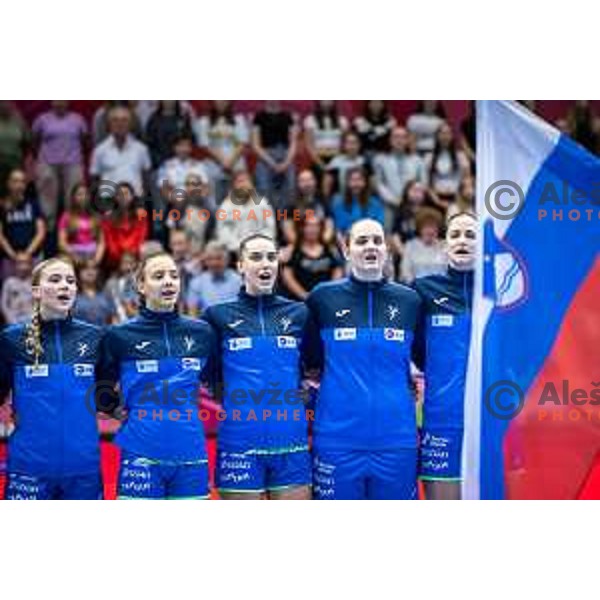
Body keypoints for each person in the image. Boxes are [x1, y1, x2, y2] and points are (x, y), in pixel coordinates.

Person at [303, 218, 423, 499]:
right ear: (346, 250)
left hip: (397, 442)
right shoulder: (322, 298)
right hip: (337, 442)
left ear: (386, 250)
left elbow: (424, 359)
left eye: (377, 240)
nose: (371, 246)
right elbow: (309, 364)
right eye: (361, 241)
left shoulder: (410, 301)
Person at [95, 252, 216, 499]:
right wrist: (115, 410)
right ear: (141, 285)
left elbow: (218, 380)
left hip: (191, 452)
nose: (169, 282)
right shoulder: (119, 335)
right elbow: (99, 389)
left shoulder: (202, 332)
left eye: (174, 275)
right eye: (158, 276)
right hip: (140, 452)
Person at [203, 234, 312, 499]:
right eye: (255, 257)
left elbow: (313, 369)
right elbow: (212, 379)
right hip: (239, 444)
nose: (265, 264)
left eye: (271, 257)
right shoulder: (217, 316)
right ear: (240, 265)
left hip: (292, 443)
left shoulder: (300, 313)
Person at [0, 257, 103, 499]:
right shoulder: (11, 339)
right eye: (55, 280)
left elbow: (108, 392)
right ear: (36, 291)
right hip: (29, 466)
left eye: (70, 281)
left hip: (84, 468)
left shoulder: (95, 337)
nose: (65, 286)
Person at [413, 212, 476, 500]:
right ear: (444, 245)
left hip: (492, 418)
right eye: (456, 235)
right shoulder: (424, 290)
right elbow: (414, 348)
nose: (463, 241)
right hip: (442, 418)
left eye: (471, 235)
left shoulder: (500, 290)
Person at [32, 101, 88, 233]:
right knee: (47, 203)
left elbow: (85, 141)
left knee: (74, 199)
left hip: (72, 163)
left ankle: (73, 233)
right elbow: (34, 141)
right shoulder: (42, 119)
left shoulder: (78, 119)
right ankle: (48, 235)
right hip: (47, 164)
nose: (60, 102)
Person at [90, 106, 152, 198]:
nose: (120, 124)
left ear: (130, 124)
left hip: (135, 201)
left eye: (124, 120)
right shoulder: (99, 150)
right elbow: (95, 178)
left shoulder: (141, 149)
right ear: (109, 124)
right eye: (115, 120)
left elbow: (146, 178)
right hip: (109, 202)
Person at [195, 101, 249, 204]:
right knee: (213, 204)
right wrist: (223, 162)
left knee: (237, 203)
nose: (221, 103)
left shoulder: (239, 120)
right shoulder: (204, 122)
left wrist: (230, 162)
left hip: (236, 166)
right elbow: (205, 146)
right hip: (213, 167)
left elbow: (242, 143)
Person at [373, 126, 427, 231]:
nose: (399, 140)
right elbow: (379, 184)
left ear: (407, 140)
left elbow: (423, 183)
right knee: (386, 227)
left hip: (413, 204)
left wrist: (412, 199)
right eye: (396, 137)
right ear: (390, 140)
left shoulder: (417, 160)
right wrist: (394, 200)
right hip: (389, 204)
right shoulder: (380, 160)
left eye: (403, 137)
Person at [214, 171, 276, 259]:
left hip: (260, 251)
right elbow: (223, 232)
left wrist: (257, 246)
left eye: (246, 181)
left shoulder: (263, 204)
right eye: (240, 182)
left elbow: (269, 229)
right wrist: (238, 247)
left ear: (252, 185)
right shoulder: (226, 206)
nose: (243, 185)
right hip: (233, 253)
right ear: (233, 186)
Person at [282, 216, 344, 300]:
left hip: (327, 298)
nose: (312, 229)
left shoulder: (329, 249)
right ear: (302, 228)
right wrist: (304, 295)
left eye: (316, 226)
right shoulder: (293, 250)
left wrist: (330, 291)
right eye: (308, 225)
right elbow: (287, 276)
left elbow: (337, 270)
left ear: (320, 228)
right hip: (300, 301)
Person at [0, 168, 46, 280]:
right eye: (15, 181)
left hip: (33, 257)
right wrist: (14, 256)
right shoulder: (2, 206)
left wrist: (27, 254)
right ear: (8, 184)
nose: (19, 185)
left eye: (22, 181)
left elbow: (41, 232)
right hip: (10, 259)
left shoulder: (33, 204)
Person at [252, 101, 298, 208]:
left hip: (286, 156)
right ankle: (268, 220)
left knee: (290, 190)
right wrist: (272, 163)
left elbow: (293, 142)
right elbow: (255, 145)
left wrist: (286, 162)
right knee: (264, 190)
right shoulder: (259, 117)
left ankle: (284, 221)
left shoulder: (288, 116)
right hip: (266, 157)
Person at [100, 182, 148, 272]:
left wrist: (131, 254)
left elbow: (141, 237)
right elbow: (110, 242)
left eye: (126, 193)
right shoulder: (108, 218)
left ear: (132, 196)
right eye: (120, 194)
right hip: (116, 259)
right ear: (116, 198)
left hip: (135, 256)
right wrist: (121, 257)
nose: (123, 197)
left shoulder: (141, 215)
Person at [186, 241, 241, 314]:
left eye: (219, 258)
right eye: (210, 258)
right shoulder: (197, 283)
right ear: (205, 261)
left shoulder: (238, 281)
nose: (214, 263)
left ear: (227, 259)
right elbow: (192, 314)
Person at [282, 169, 333, 246]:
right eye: (303, 181)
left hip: (321, 245)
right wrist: (302, 247)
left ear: (315, 182)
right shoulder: (289, 204)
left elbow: (329, 227)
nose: (307, 184)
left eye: (310, 180)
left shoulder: (323, 201)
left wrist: (321, 245)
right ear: (297, 184)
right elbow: (288, 230)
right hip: (297, 246)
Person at [57, 183, 105, 265]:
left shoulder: (96, 217)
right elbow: (61, 243)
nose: (83, 197)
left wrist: (97, 260)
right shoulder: (66, 216)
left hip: (92, 254)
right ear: (73, 197)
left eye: (86, 194)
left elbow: (101, 242)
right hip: (74, 253)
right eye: (80, 194)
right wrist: (74, 254)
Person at [424, 123, 471, 206]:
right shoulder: (429, 157)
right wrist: (437, 201)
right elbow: (427, 183)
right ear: (437, 136)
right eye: (442, 133)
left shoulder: (461, 156)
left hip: (458, 198)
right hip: (436, 198)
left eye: (448, 133)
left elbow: (467, 179)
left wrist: (462, 197)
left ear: (452, 136)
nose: (445, 136)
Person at [331, 168, 384, 239]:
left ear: (365, 182)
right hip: (348, 241)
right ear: (347, 183)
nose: (356, 184)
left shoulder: (375, 203)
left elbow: (379, 228)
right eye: (352, 180)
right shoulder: (340, 204)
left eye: (359, 180)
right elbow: (339, 231)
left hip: (370, 241)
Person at [400, 207, 447, 284]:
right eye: (427, 227)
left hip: (440, 289)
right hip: (416, 289)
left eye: (433, 227)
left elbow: (448, 273)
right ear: (420, 228)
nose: (430, 231)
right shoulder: (410, 246)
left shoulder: (444, 246)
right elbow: (405, 272)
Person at [145, 101, 194, 169]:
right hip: (160, 164)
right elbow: (149, 144)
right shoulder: (154, 119)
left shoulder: (183, 118)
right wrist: (160, 161)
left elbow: (189, 140)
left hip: (182, 162)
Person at [303, 101, 349, 173]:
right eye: (324, 100)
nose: (327, 103)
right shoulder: (310, 120)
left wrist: (336, 161)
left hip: (337, 159)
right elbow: (309, 145)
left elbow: (344, 143)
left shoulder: (342, 120)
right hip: (318, 159)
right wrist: (320, 163)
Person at [73, 260, 116, 327]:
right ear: (78, 272)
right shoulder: (73, 294)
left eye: (94, 268)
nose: (90, 272)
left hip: (104, 334)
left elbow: (113, 318)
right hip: (81, 336)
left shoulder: (105, 292)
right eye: (85, 268)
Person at [325, 131, 367, 198]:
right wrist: (327, 200)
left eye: (354, 143)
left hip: (361, 200)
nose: (352, 146)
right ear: (344, 145)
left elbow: (371, 185)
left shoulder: (364, 161)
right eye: (349, 143)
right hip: (340, 200)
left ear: (359, 145)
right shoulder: (335, 162)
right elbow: (327, 184)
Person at [0, 102, 29, 196]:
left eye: (7, 104)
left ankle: (16, 209)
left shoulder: (19, 121)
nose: (5, 106)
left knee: (16, 189)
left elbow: (27, 141)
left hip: (16, 161)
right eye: (2, 104)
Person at [0, 254, 33, 325]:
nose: (23, 266)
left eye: (26, 263)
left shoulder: (35, 282)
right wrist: (10, 319)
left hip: (30, 319)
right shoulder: (9, 282)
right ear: (14, 265)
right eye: (20, 263)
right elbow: (3, 304)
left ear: (31, 265)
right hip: (13, 319)